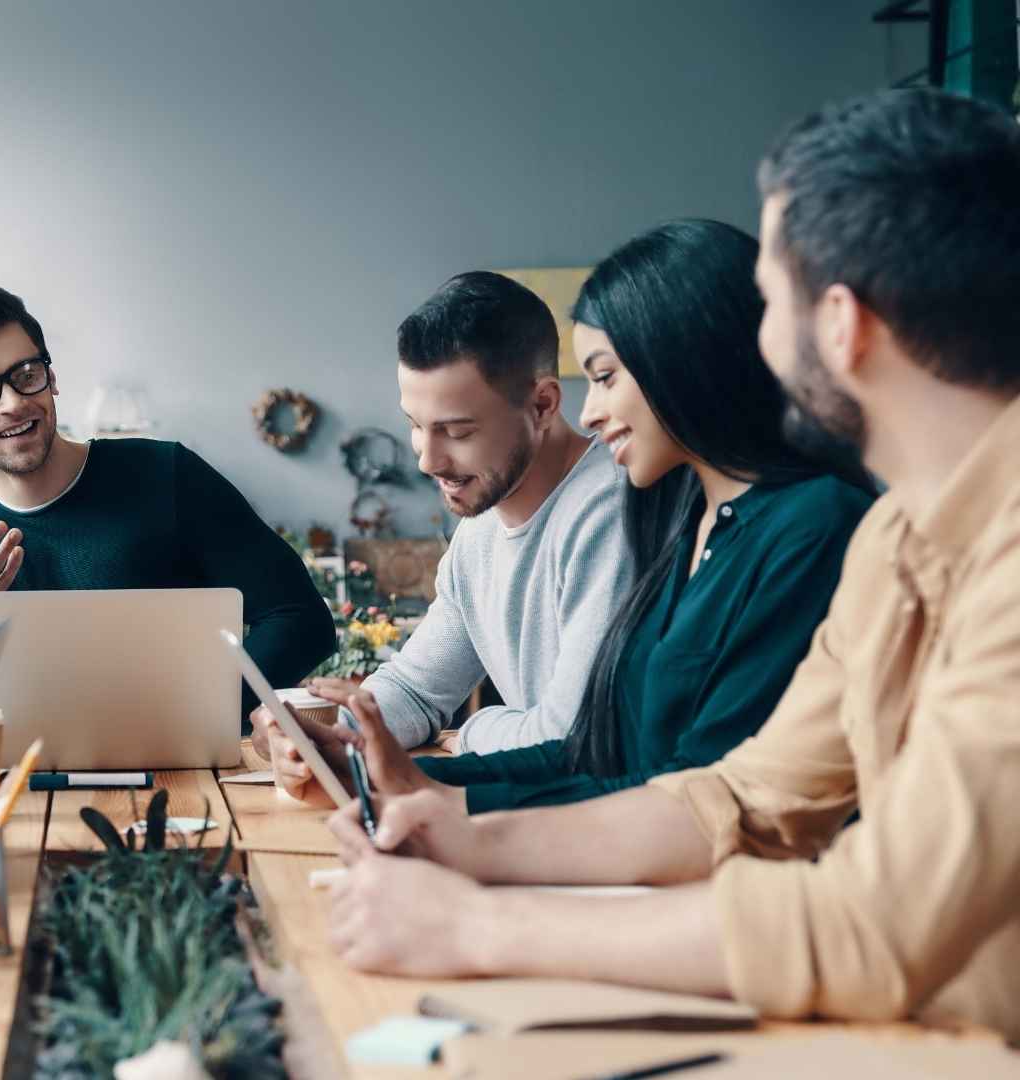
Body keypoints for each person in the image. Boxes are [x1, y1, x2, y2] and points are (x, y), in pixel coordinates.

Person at [316, 89, 1020, 1041]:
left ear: (842, 326)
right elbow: (742, 795)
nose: (754, 339)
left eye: (770, 303)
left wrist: (486, 922)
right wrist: (472, 838)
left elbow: (877, 921)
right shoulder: (900, 539)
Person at [268, 220, 875, 813]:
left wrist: (457, 762)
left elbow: (652, 778)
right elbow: (618, 762)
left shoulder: (684, 513)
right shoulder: (695, 524)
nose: (427, 459)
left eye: (605, 377)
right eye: (414, 427)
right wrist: (359, 753)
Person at [0, 282, 334, 728]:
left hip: (186, 786)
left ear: (52, 377)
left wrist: (199, 714)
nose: (13, 403)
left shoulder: (168, 476)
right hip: (27, 792)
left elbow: (299, 618)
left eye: (26, 374)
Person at [254, 270, 633, 782]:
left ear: (542, 405)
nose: (428, 461)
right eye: (414, 425)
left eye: (457, 431)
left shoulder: (608, 513)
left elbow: (575, 740)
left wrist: (473, 731)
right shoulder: (478, 529)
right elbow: (415, 688)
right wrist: (328, 736)